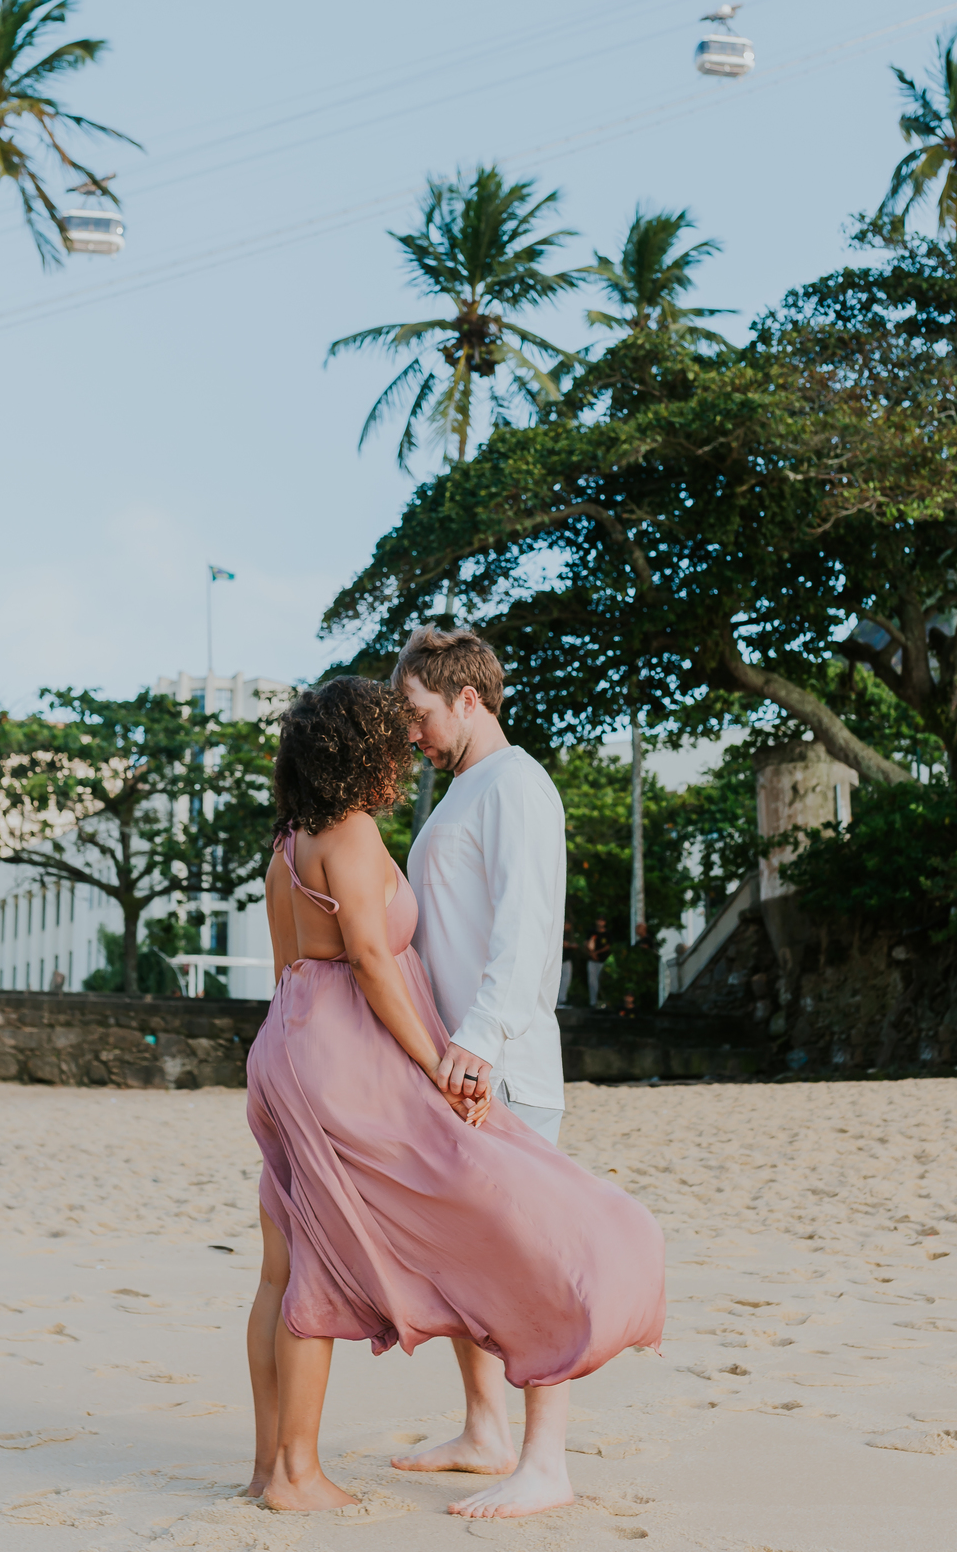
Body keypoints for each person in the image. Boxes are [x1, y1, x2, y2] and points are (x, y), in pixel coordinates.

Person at [243, 677, 665, 1521]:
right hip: (340, 1056)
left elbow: (304, 961)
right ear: (357, 749)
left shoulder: (287, 844)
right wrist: (439, 1060)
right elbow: (367, 958)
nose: (402, 750)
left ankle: (268, 1468)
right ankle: (296, 1475)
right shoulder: (352, 834)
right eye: (387, 738)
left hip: (282, 1046)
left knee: (283, 1263)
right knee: (326, 1268)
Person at [390, 626, 568, 1490]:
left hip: (503, 1065)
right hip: (457, 1065)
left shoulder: (515, 784)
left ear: (468, 698)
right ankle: (486, 1429)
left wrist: (479, 1038)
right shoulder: (461, 790)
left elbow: (524, 927)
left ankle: (547, 1460)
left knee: (528, 1263)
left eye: (418, 712)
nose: (409, 731)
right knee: (463, 1257)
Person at [586, 916, 612, 1008]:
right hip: (592, 961)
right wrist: (592, 953)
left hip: (603, 961)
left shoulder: (607, 933)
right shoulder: (591, 932)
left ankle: (604, 1002)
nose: (600, 922)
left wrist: (596, 953)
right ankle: (593, 1002)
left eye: (602, 921)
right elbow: (587, 943)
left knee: (603, 981)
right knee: (592, 981)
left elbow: (608, 946)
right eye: (599, 920)